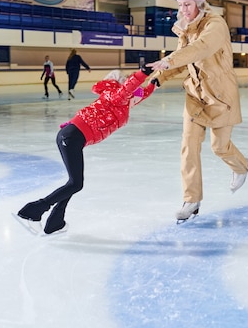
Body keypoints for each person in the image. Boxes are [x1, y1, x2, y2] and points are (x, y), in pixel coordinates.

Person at [147, 0, 248, 222]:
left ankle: (242, 166)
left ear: (201, 3)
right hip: (195, 96)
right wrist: (154, 80)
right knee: (188, 147)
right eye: (180, 5)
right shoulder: (185, 30)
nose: (183, 10)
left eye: (188, 4)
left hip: (220, 96)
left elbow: (201, 49)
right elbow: (181, 61)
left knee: (219, 147)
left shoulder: (215, 25)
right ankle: (191, 200)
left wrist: (169, 60)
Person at [17, 66, 156, 234]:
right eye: (133, 94)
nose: (136, 98)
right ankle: (32, 210)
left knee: (73, 183)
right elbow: (129, 89)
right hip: (71, 137)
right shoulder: (116, 97)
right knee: (76, 184)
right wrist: (143, 73)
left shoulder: (124, 102)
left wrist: (154, 84)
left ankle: (55, 221)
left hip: (74, 139)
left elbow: (139, 94)